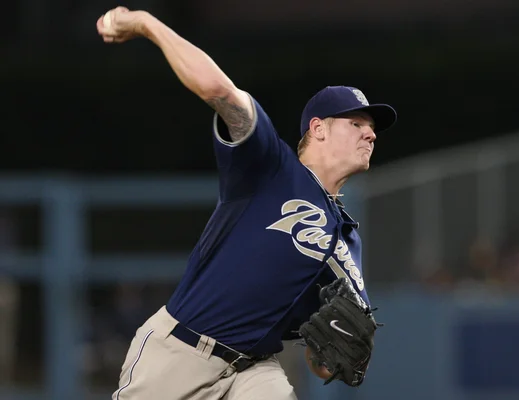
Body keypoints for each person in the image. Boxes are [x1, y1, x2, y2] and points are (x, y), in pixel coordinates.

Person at [97, 6, 397, 400]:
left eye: (372, 129)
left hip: (254, 369)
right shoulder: (270, 167)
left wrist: (333, 357)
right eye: (357, 124)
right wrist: (146, 24)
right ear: (318, 129)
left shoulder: (346, 241)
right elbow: (218, 90)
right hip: (181, 351)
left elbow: (322, 354)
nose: (370, 135)